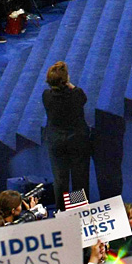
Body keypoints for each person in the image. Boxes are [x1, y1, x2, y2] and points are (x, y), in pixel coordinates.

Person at [42, 61, 91, 210]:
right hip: (77, 142)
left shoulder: (46, 96)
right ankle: (78, 209)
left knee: (60, 179)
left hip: (56, 142)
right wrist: (70, 85)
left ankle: (61, 211)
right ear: (66, 80)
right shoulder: (76, 95)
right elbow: (83, 98)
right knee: (79, 178)